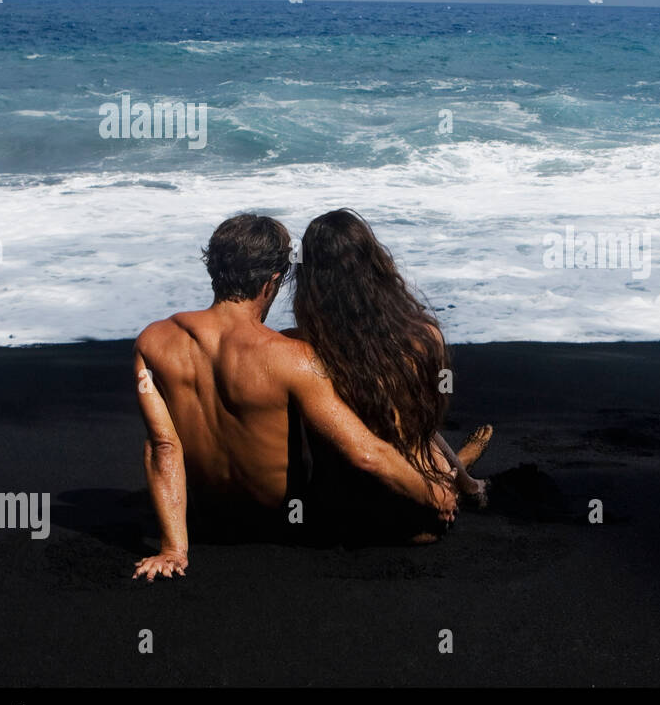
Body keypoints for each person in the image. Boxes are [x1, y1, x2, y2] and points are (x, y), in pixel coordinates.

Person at [130, 214, 465, 581]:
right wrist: (433, 496)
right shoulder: (292, 357)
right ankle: (451, 472)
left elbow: (163, 448)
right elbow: (365, 454)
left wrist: (173, 548)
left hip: (210, 524)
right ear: (272, 282)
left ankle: (451, 465)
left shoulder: (154, 342)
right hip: (290, 525)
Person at [289, 208, 491, 535]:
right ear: (375, 264)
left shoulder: (297, 350)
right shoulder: (426, 337)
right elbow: (424, 422)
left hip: (340, 515)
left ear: (308, 277)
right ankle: (462, 478)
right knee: (404, 416)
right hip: (420, 517)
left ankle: (461, 476)